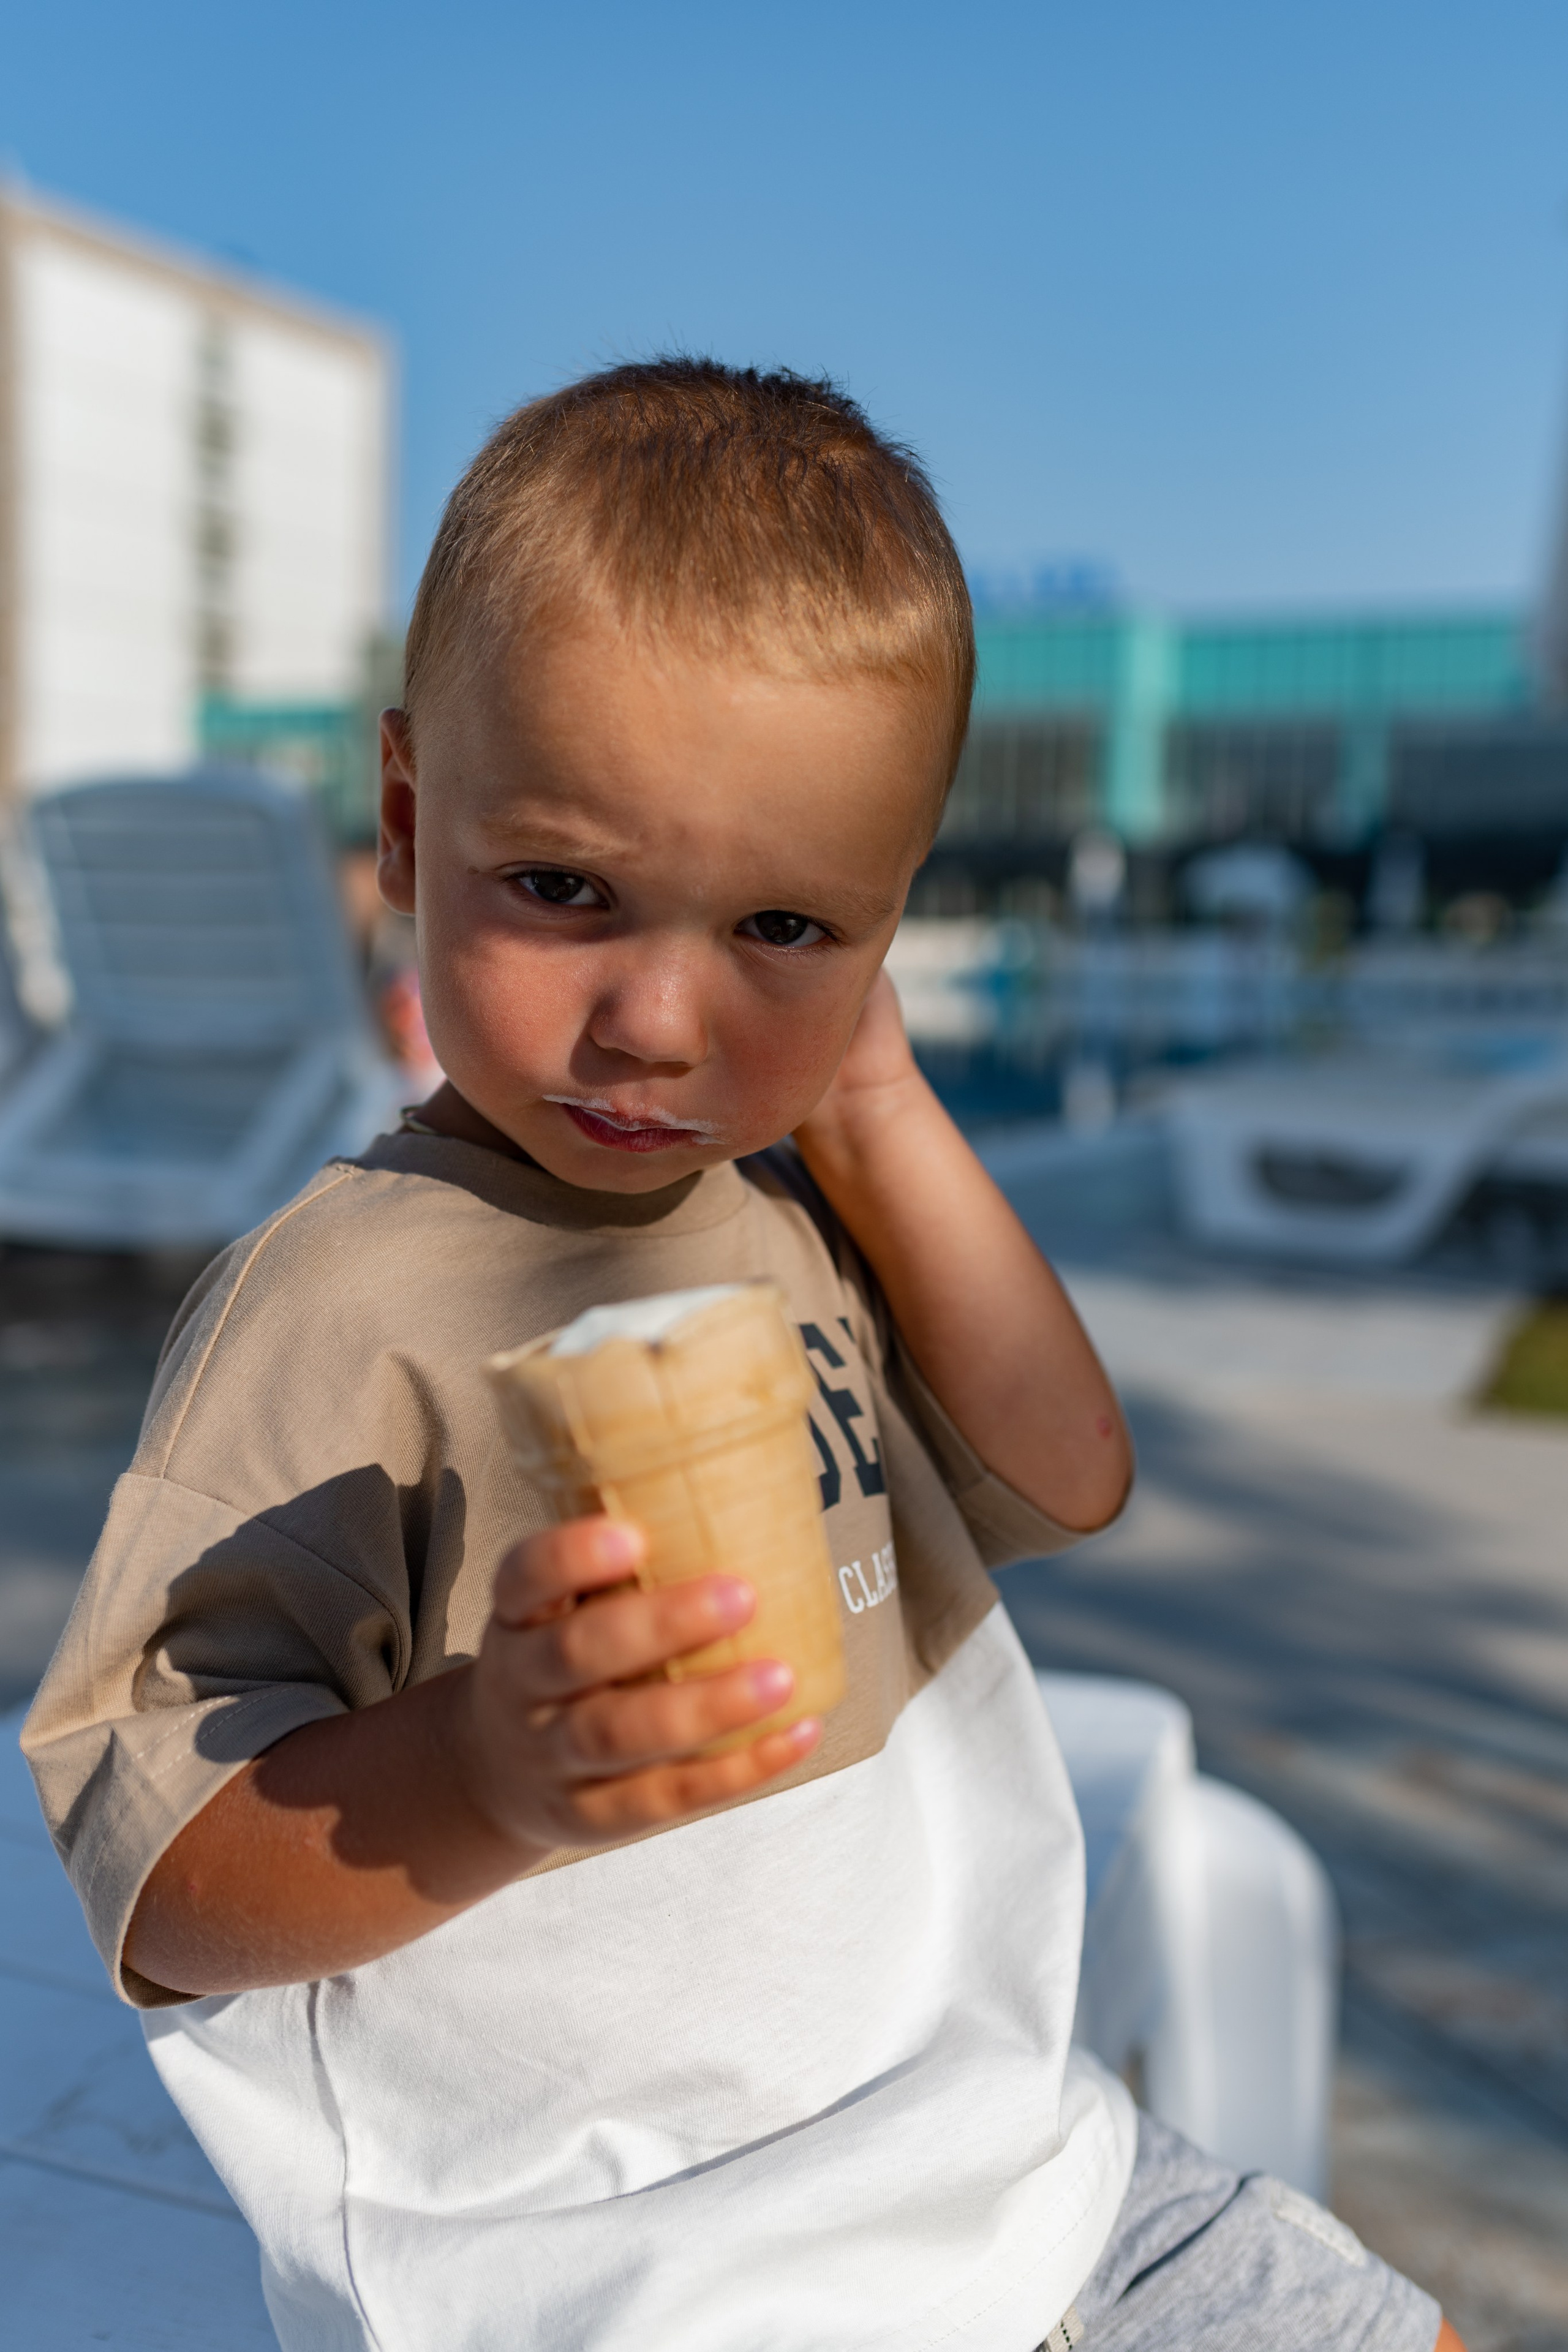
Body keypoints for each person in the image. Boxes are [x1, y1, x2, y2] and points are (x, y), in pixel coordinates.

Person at [24, 361, 1460, 2352]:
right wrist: (489, 1773)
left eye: (784, 924)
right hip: (633, 2279)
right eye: (564, 891)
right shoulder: (335, 1309)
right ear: (411, 815)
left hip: (1020, 2175)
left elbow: (1065, 1473)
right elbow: (162, 1875)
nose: (662, 1022)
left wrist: (872, 1111)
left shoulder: (791, 1210)